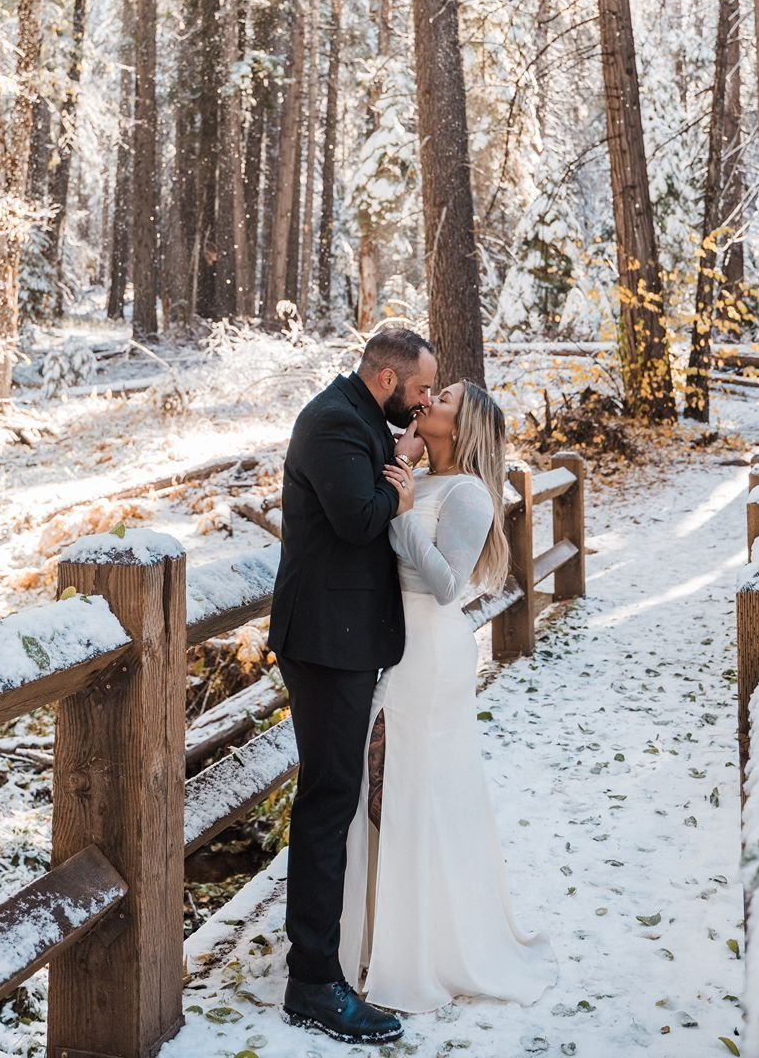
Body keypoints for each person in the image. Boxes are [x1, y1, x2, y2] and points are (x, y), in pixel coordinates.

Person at [339, 379, 558, 1014]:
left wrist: (404, 517)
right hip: (398, 647)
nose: (431, 399)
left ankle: (424, 951)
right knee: (387, 786)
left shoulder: (468, 495)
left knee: (406, 785)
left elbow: (444, 584)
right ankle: (385, 937)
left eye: (447, 399)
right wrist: (401, 481)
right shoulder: (419, 476)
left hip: (430, 650)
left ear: (462, 428)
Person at [269, 327, 436, 1045]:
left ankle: (318, 963)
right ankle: (312, 980)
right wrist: (396, 488)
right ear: (385, 378)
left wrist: (394, 461)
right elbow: (358, 519)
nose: (425, 402)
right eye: (421, 389)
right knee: (329, 797)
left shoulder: (362, 419)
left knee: (334, 793)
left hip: (345, 637)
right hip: (324, 642)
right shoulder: (336, 421)